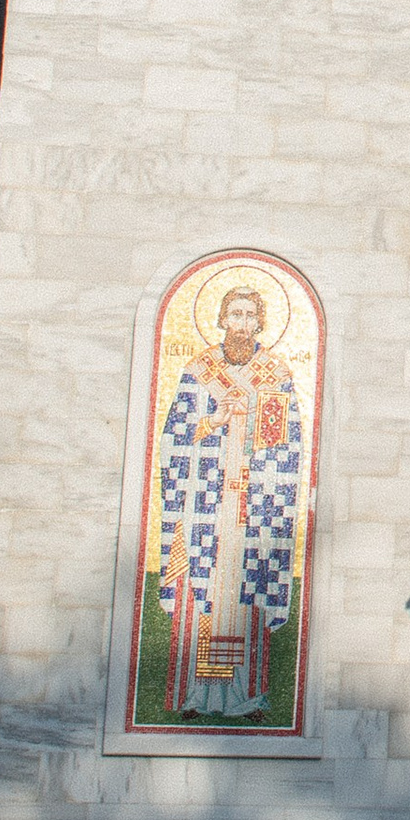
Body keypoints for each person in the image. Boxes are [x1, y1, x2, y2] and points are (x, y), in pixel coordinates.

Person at [151, 280, 305, 717]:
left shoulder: (273, 376)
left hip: (251, 511)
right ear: (221, 320)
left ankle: (246, 696)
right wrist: (214, 419)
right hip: (205, 509)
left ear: (261, 323)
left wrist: (256, 447)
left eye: (250, 316)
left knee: (245, 600)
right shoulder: (198, 373)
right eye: (234, 315)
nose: (241, 324)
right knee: (200, 598)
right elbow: (174, 438)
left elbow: (283, 446)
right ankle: (197, 696)